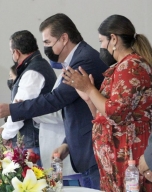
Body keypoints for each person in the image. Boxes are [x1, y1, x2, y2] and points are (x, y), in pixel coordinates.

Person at [0, 13, 108, 189]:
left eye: (48, 43)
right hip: (83, 146)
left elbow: (57, 99)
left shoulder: (84, 59)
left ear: (64, 38)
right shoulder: (75, 59)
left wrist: (12, 109)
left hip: (94, 147)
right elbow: (77, 108)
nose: (45, 48)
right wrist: (67, 143)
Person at [62, 14, 152, 191]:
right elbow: (101, 115)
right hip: (114, 158)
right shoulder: (118, 68)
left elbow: (116, 114)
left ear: (113, 39)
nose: (101, 47)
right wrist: (88, 98)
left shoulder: (132, 66)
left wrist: (90, 89)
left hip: (129, 154)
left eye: (101, 41)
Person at [0, 30, 57, 167]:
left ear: (16, 52)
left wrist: (5, 136)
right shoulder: (37, 66)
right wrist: (4, 127)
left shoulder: (33, 72)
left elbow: (21, 111)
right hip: (34, 139)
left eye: (12, 53)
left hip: (32, 142)